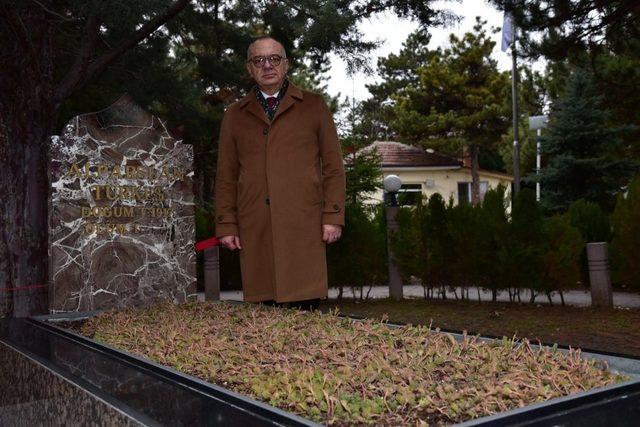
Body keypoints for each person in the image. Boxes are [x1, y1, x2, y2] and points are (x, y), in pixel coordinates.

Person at [214, 36, 345, 311]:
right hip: (255, 226)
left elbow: (334, 167)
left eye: (274, 58)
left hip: (304, 225)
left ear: (286, 64)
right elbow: (226, 175)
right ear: (249, 68)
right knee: (263, 315)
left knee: (304, 309)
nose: (267, 65)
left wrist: (333, 216)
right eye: (258, 60)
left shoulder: (314, 106)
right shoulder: (235, 114)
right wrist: (226, 223)